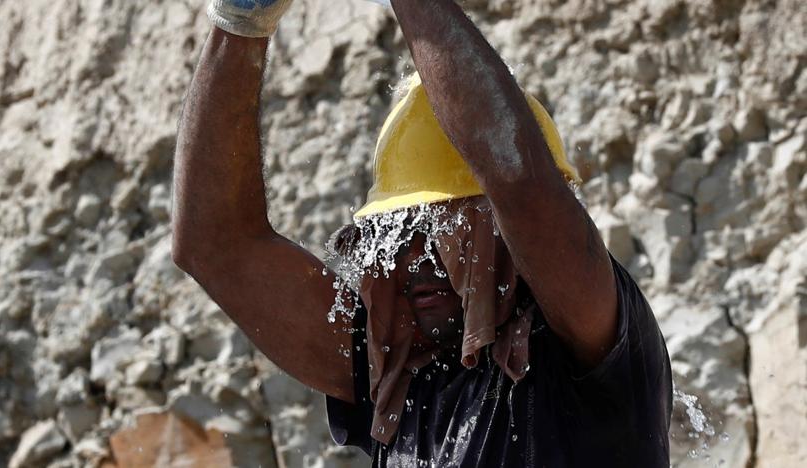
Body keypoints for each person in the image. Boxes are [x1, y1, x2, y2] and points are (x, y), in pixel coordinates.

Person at [172, 0, 673, 466]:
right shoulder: (401, 375)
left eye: (438, 229)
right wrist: (239, 24)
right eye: (396, 234)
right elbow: (216, 245)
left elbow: (521, 183)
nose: (412, 259)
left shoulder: (587, 339)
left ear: (503, 231)